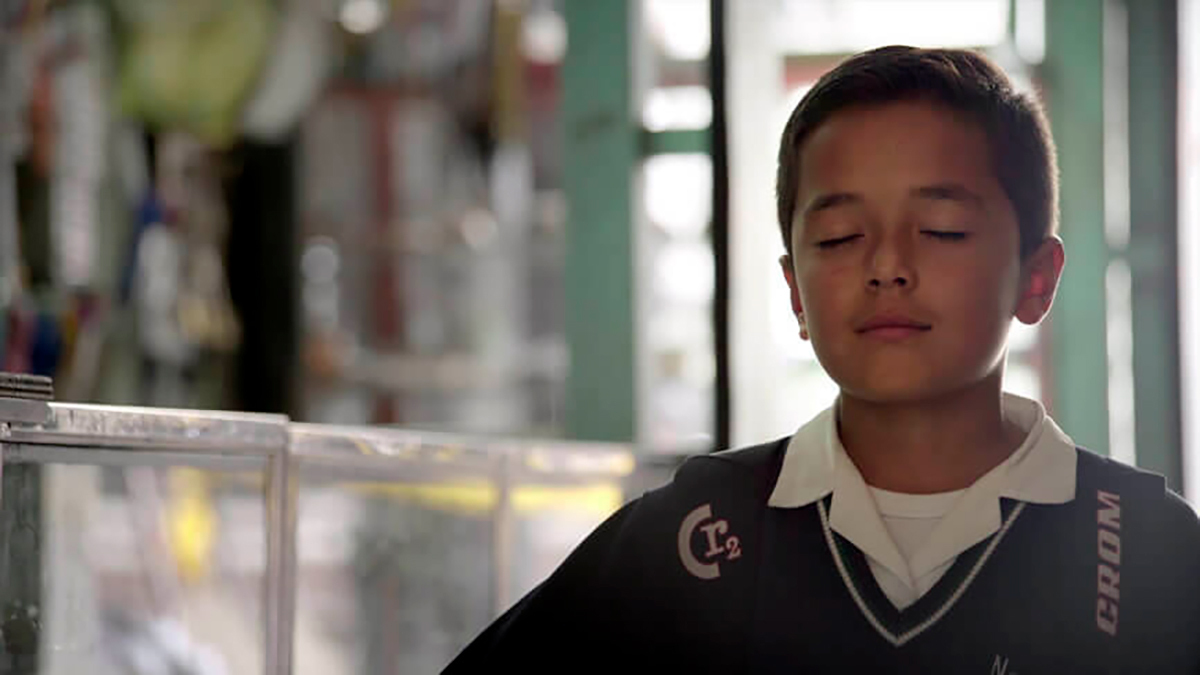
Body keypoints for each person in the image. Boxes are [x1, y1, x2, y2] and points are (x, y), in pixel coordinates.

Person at [443, 45, 1200, 673]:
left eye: (940, 229)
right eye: (839, 239)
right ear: (796, 294)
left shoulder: (1151, 552)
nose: (887, 266)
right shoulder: (690, 539)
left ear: (1036, 279)